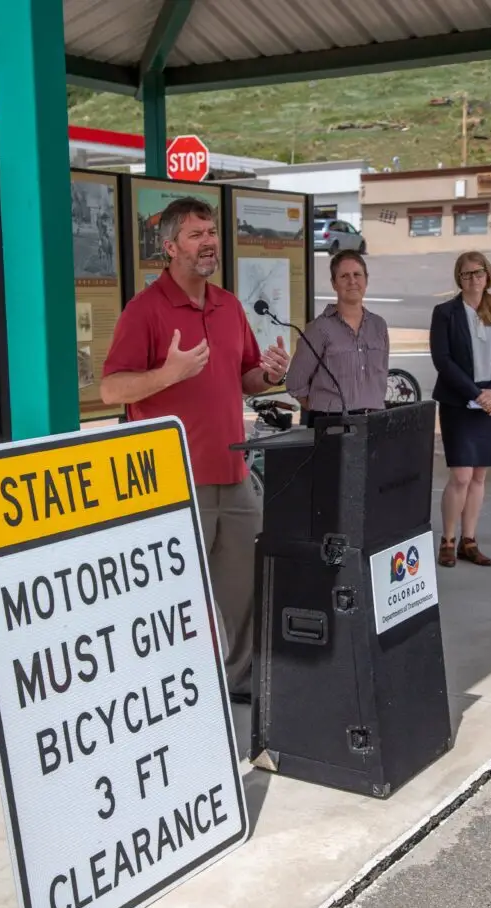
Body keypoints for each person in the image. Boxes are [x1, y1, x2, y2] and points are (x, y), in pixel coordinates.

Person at [100, 197, 289, 702]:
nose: (208, 242)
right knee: (172, 596)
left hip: (234, 469)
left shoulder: (229, 304)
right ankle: (170, 693)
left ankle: (235, 683)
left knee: (242, 587)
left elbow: (246, 377)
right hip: (173, 478)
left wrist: (270, 374)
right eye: (196, 234)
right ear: (169, 247)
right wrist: (169, 374)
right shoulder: (145, 311)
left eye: (211, 233)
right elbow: (111, 390)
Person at [430, 250, 491, 568]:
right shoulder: (445, 313)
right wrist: (475, 393)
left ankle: (469, 540)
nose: (473, 278)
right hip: (458, 403)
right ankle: (448, 540)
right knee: (462, 476)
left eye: (478, 272)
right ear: (459, 278)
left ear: (487, 275)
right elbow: (443, 360)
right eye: (466, 274)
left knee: (479, 475)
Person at [286, 250, 389, 421]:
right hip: (332, 423)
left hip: (374, 421)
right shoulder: (319, 328)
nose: (352, 281)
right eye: (344, 276)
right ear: (334, 283)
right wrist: (323, 409)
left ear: (366, 280)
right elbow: (295, 382)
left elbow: (382, 373)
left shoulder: (379, 326)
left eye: (357, 274)